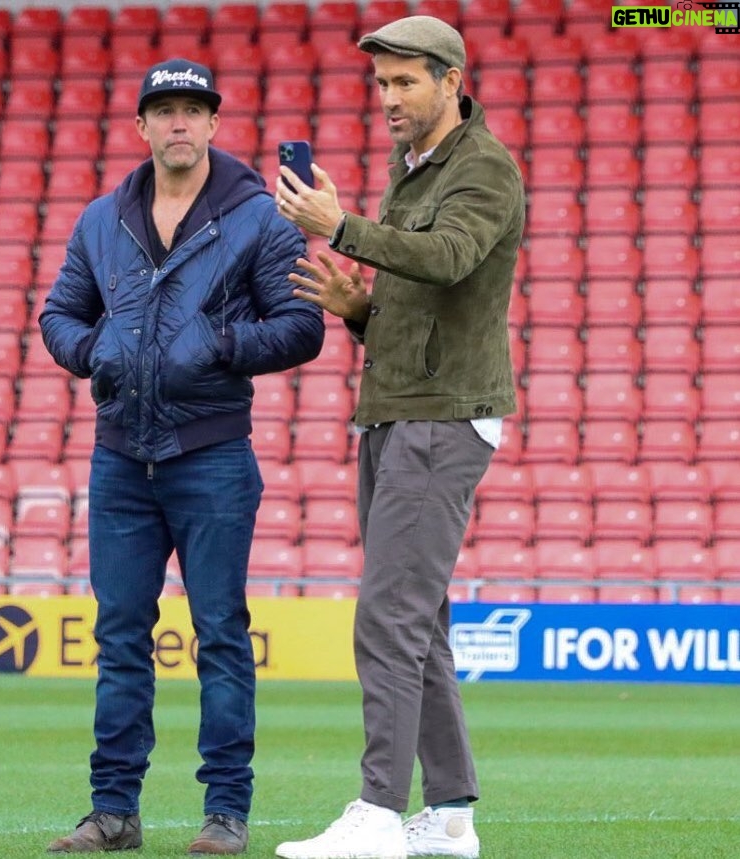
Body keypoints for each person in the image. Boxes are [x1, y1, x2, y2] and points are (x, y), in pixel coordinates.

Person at [40, 58, 324, 854]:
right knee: (121, 634)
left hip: (211, 455)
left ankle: (225, 812)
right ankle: (114, 811)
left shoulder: (259, 218)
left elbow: (303, 326)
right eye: (162, 110)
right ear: (140, 127)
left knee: (221, 633)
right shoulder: (102, 218)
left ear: (212, 124)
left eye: (191, 110)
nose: (177, 123)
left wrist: (222, 343)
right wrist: (92, 349)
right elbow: (58, 312)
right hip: (120, 459)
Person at [273, 16, 525, 859]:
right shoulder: (412, 168)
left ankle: (378, 811)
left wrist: (340, 226)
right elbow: (419, 296)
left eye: (404, 82)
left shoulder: (483, 169)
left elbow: (450, 257)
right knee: (419, 625)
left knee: (387, 617)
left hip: (441, 415)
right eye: (380, 84)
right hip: (396, 404)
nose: (387, 99)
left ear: (451, 79)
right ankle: (449, 816)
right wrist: (359, 310)